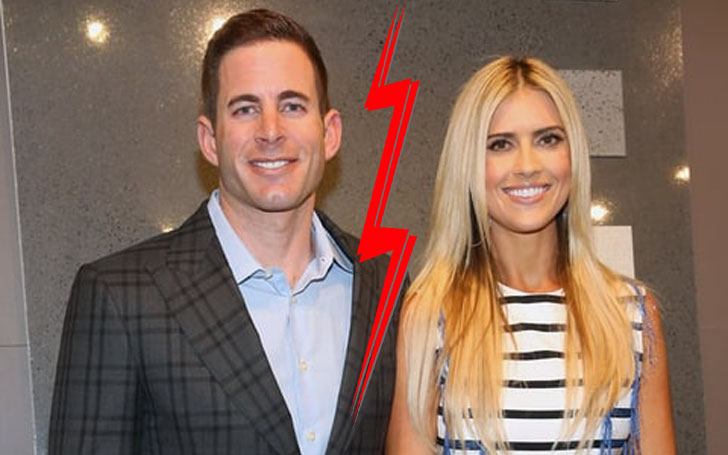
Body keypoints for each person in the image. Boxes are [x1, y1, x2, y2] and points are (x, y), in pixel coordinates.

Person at [49, 9, 400, 455]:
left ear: (329, 133)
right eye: (245, 109)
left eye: (292, 106)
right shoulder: (121, 295)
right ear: (210, 140)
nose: (270, 131)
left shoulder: (385, 285)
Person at [386, 57, 675, 454]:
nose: (527, 166)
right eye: (500, 144)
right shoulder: (430, 313)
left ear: (573, 154)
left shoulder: (634, 314)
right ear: (467, 163)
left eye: (548, 139)